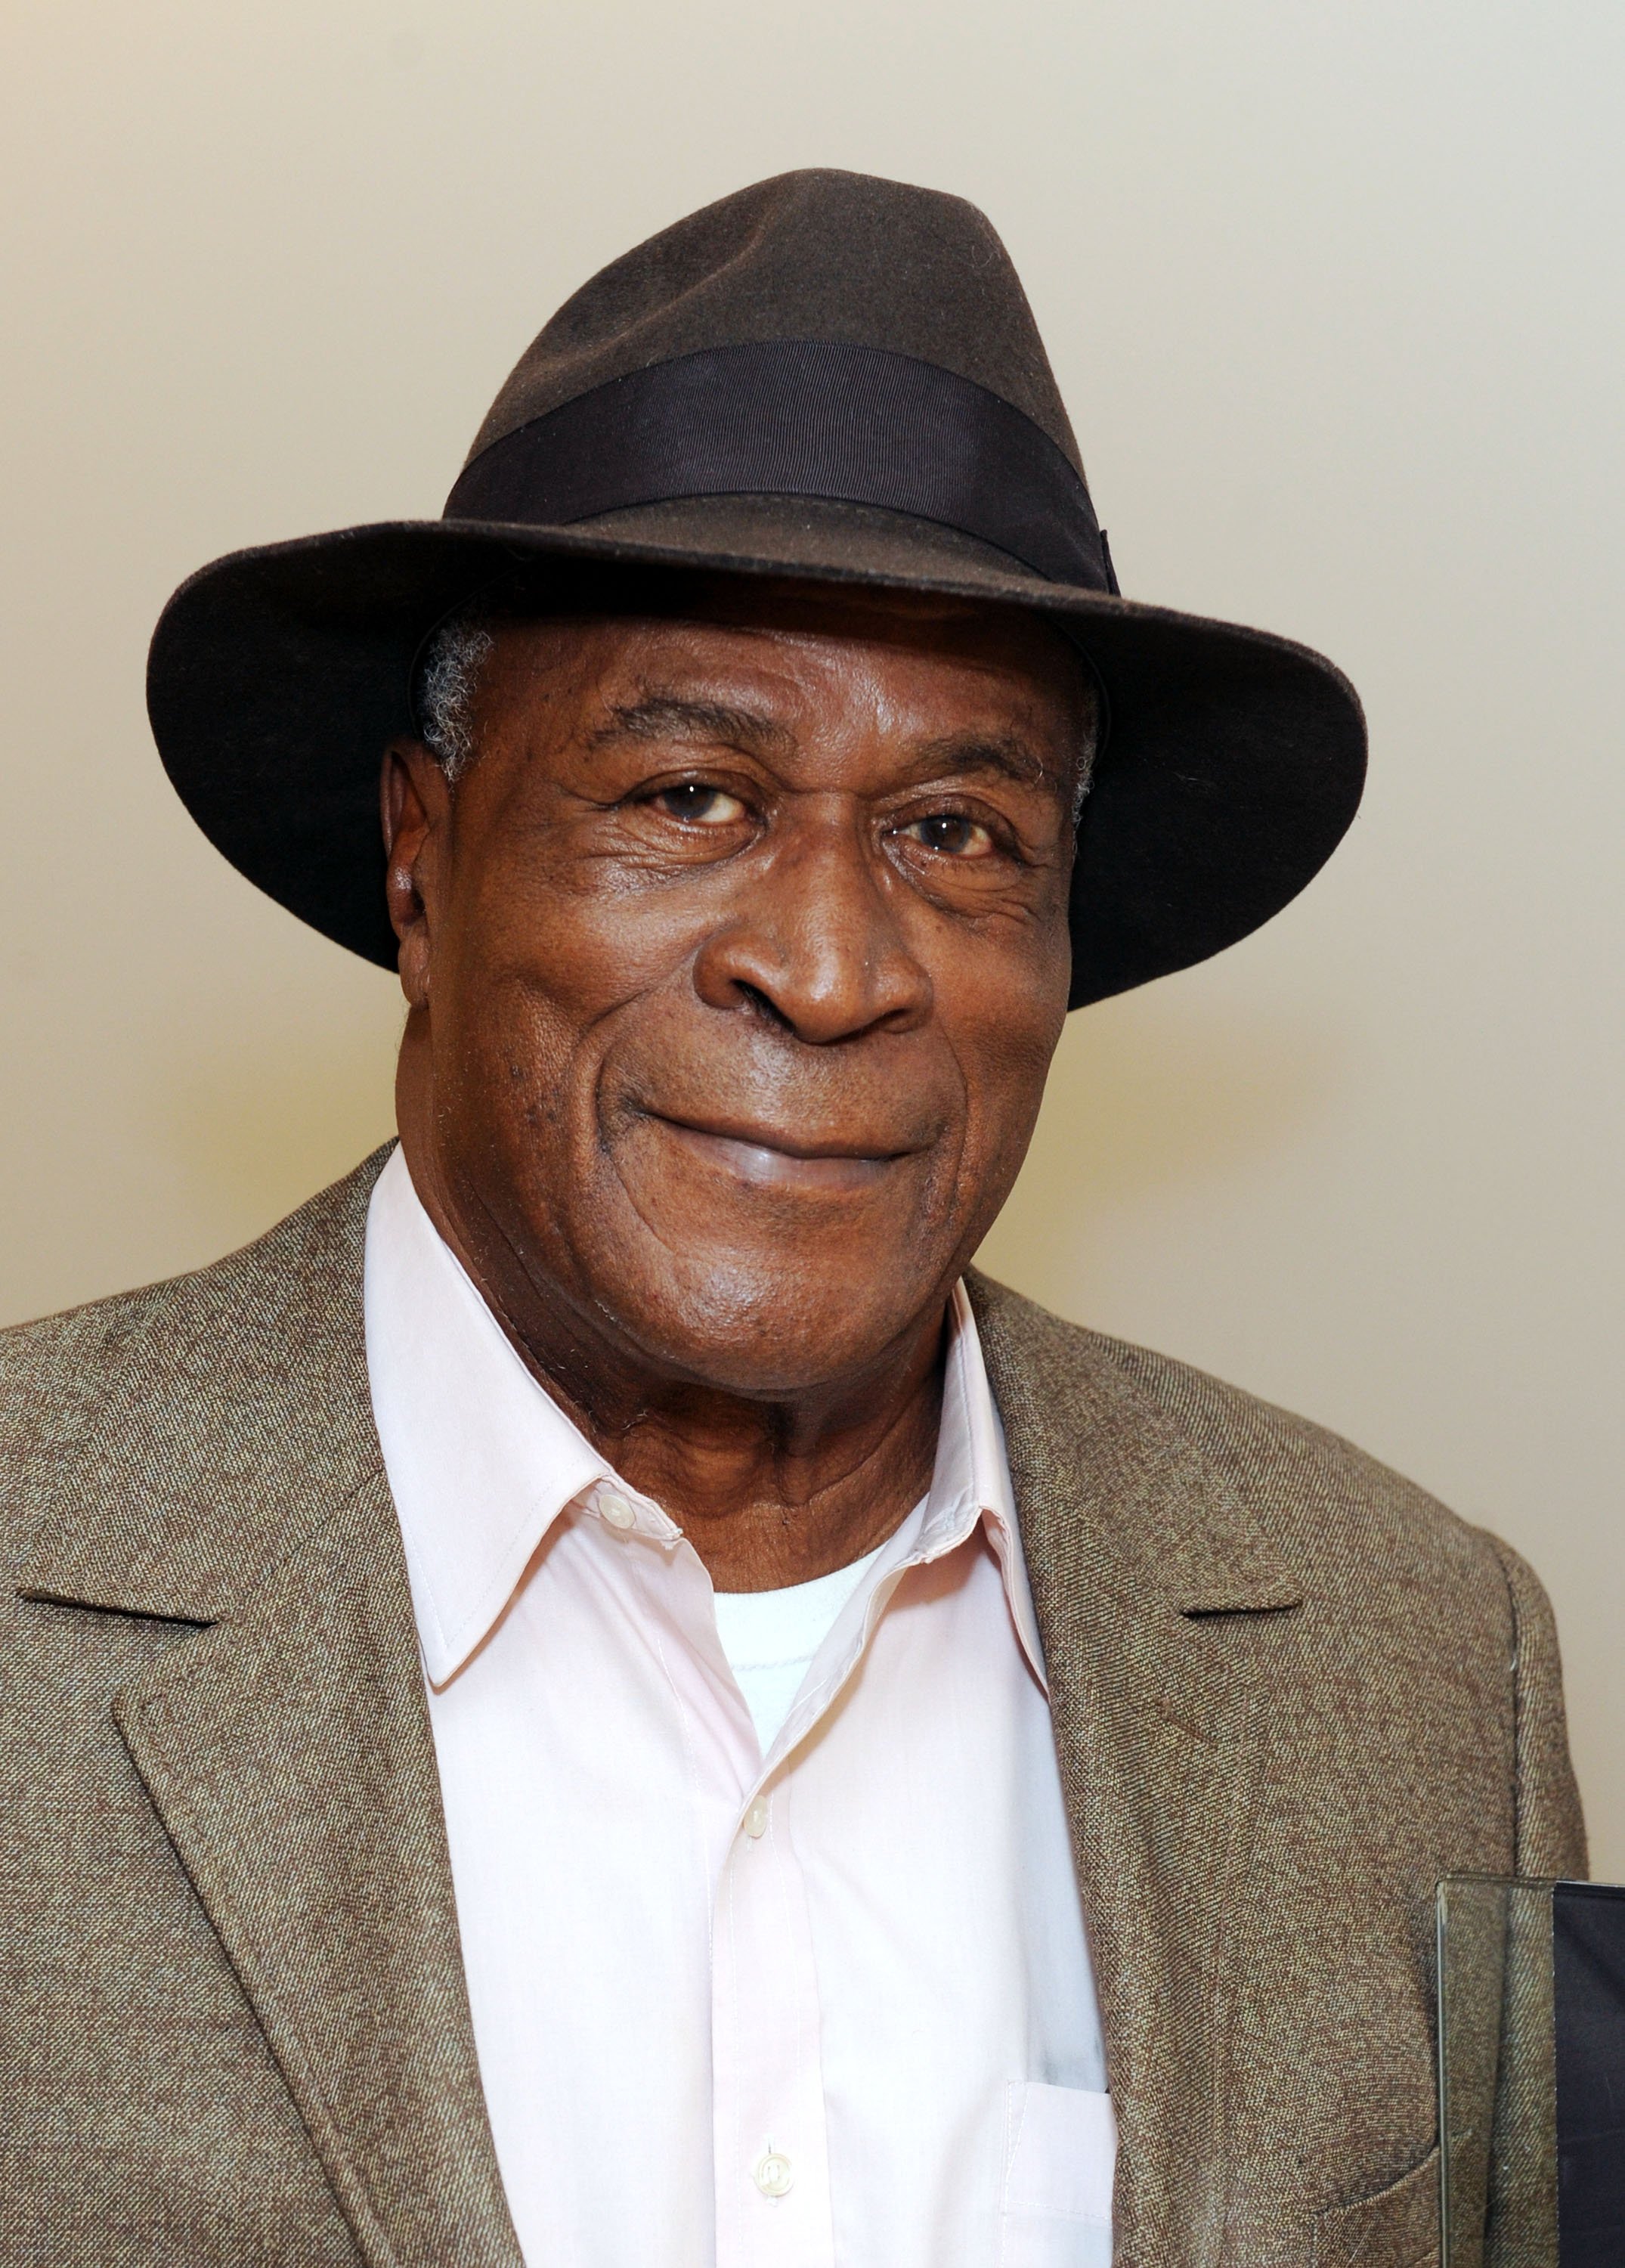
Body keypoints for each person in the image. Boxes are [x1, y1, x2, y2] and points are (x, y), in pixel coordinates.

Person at [0, 169, 1583, 2268]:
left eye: (953, 831)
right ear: (421, 857)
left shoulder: (1420, 1657)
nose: (833, 968)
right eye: (690, 799)